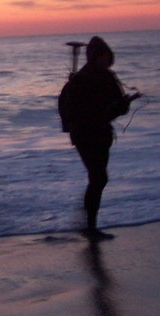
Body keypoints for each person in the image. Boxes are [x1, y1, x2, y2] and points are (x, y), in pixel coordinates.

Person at [59, 36, 139, 237]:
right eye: (102, 56)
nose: (106, 59)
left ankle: (89, 225)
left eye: (107, 56)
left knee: (98, 179)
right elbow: (71, 108)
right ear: (94, 57)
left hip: (102, 134)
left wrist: (122, 105)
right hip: (85, 135)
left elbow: (117, 109)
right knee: (98, 177)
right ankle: (90, 227)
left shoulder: (109, 78)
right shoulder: (81, 80)